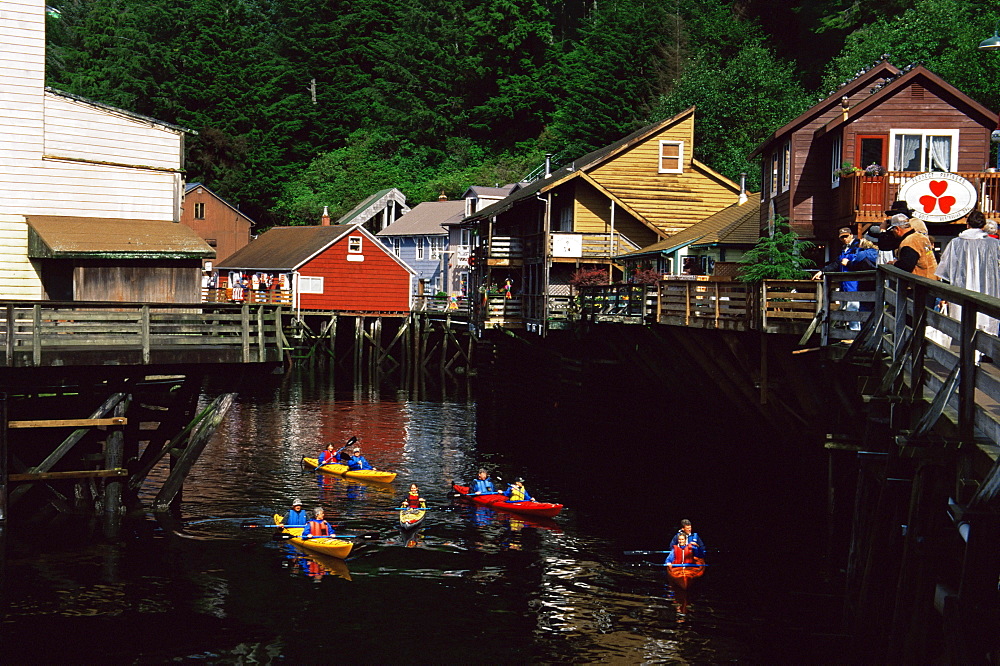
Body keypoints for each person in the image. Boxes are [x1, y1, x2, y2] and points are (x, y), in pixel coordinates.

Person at [935, 209, 1000, 339]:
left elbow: (945, 268)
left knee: (964, 323)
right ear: (983, 226)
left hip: (961, 288)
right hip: (987, 288)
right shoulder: (994, 244)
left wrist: (945, 292)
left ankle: (967, 356)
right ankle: (977, 355)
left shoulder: (956, 243)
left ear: (967, 224)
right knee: (985, 322)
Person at [812, 227, 878, 331]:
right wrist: (823, 271)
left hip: (856, 285)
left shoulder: (859, 248)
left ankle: (855, 334)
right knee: (850, 310)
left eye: (846, 236)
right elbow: (836, 263)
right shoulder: (844, 249)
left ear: (851, 235)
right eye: (841, 237)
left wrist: (849, 263)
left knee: (855, 310)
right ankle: (853, 333)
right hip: (845, 285)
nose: (844, 239)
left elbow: (861, 265)